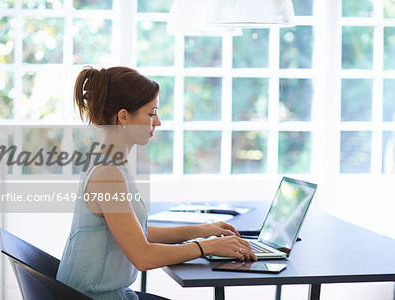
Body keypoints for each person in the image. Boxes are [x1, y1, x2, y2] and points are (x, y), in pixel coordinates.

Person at [56, 66, 257, 300]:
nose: (158, 122)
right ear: (123, 117)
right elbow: (142, 256)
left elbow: (135, 234)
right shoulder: (107, 173)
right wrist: (208, 247)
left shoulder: (110, 161)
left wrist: (200, 231)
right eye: (151, 113)